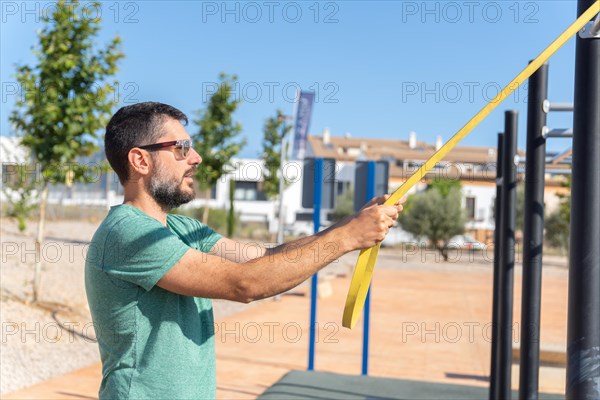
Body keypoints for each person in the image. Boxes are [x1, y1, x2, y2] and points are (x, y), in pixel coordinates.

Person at [85, 101, 402, 399]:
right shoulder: (127, 232)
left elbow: (265, 259)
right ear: (140, 160)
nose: (195, 157)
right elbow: (245, 283)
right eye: (181, 148)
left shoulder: (183, 229)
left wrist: (350, 224)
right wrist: (347, 238)